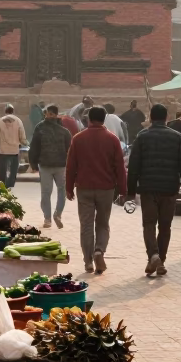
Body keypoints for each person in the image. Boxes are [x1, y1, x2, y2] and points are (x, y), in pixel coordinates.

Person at [126, 104, 181, 277]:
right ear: (167, 117)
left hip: (148, 188)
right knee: (165, 226)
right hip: (169, 188)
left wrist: (130, 193)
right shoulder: (177, 137)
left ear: (151, 118)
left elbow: (133, 167)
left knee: (149, 224)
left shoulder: (142, 136)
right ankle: (160, 258)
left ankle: (153, 256)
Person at [65, 105, 127, 274]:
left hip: (84, 187)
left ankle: (88, 261)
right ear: (104, 119)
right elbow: (119, 167)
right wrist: (123, 189)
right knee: (102, 223)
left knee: (86, 225)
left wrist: (69, 187)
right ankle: (99, 250)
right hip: (106, 188)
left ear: (89, 119)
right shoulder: (112, 139)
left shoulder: (78, 138)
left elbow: (71, 166)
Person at [28, 104, 72, 229]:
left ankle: (52, 217)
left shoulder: (41, 128)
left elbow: (34, 147)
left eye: (50, 114)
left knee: (50, 192)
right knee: (56, 191)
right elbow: (34, 147)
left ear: (55, 115)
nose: (48, 116)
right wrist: (33, 163)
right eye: (48, 113)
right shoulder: (64, 131)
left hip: (52, 165)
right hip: (54, 165)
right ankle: (52, 216)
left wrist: (33, 163)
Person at [0, 104, 26, 190]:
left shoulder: (0, 121)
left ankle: (2, 184)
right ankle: (10, 184)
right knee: (13, 169)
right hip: (14, 150)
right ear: (13, 111)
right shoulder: (18, 121)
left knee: (2, 168)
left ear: (5, 111)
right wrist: (24, 143)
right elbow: (22, 136)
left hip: (3, 149)